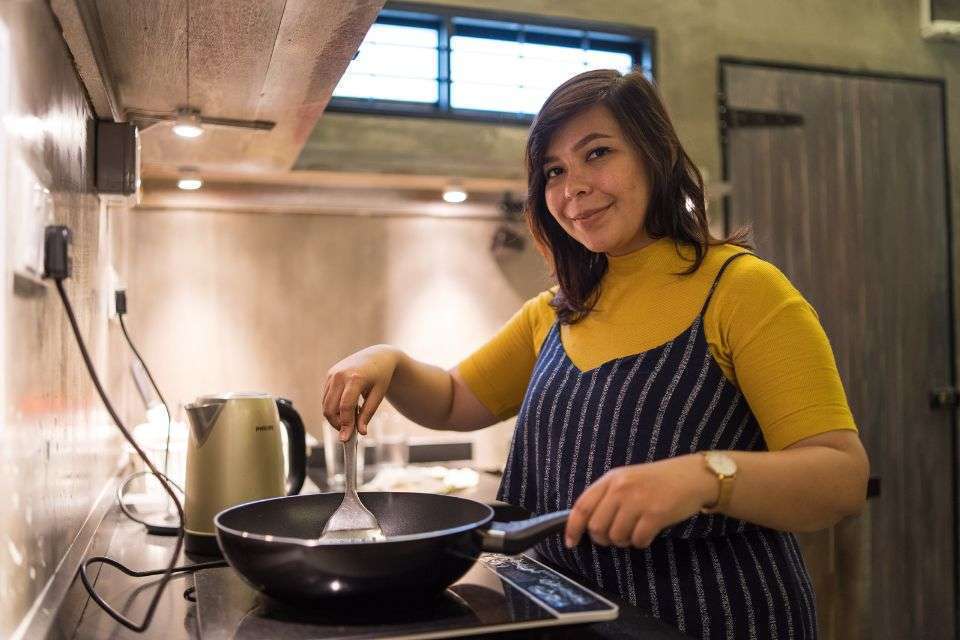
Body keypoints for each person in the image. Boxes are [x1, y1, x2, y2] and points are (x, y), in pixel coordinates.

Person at [321, 69, 869, 639]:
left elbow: (840, 476)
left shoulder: (742, 290)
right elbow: (457, 400)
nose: (572, 187)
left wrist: (703, 477)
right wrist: (390, 360)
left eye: (597, 153)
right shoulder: (557, 310)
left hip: (714, 619)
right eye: (554, 170)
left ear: (655, 156)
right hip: (564, 616)